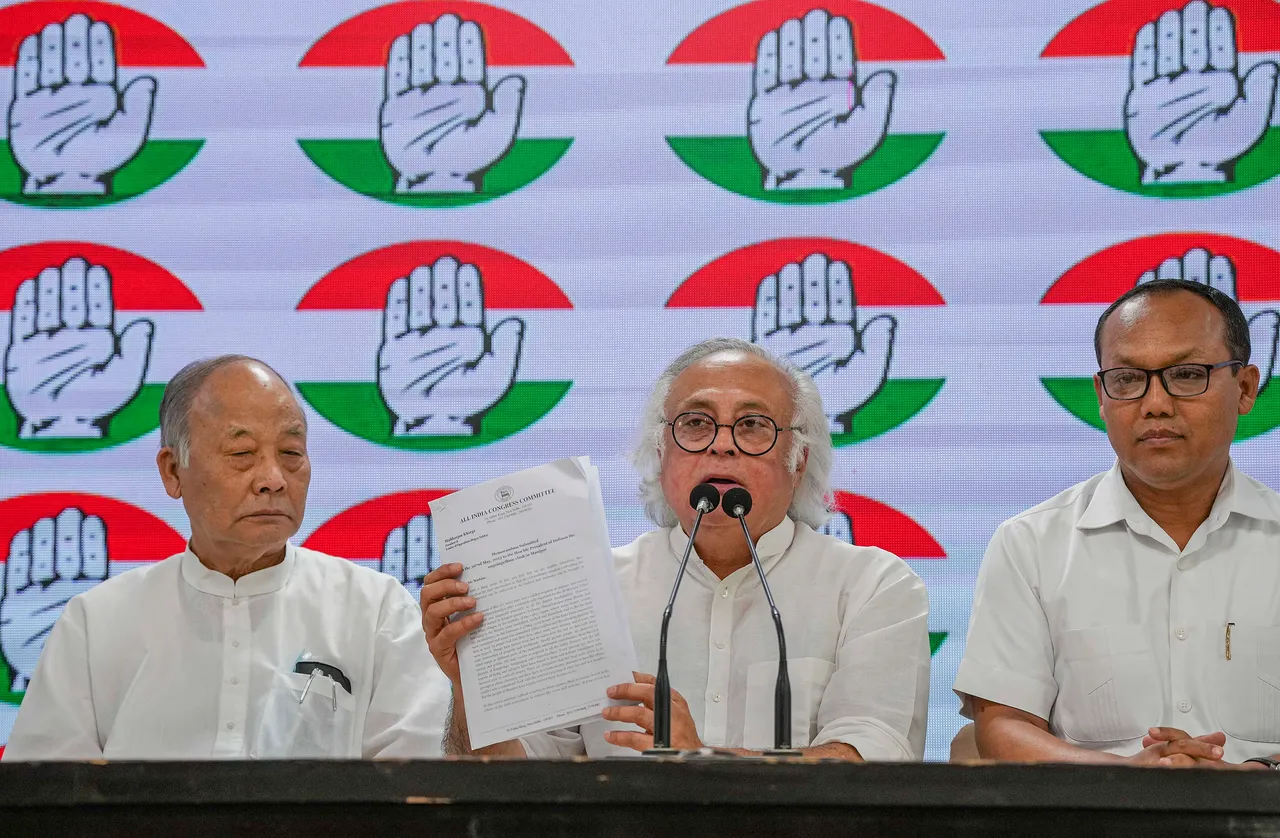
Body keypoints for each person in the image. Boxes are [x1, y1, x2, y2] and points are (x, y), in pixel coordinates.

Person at [423, 337, 931, 759]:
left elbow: (867, 766)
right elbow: (512, 785)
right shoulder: (592, 588)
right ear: (661, 455)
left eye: (752, 424)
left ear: (798, 460)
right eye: (695, 423)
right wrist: (475, 689)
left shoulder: (872, 586)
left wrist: (702, 765)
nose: (721, 444)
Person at [3, 356, 450, 760]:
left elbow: (420, 786)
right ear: (173, 471)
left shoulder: (376, 611)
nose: (273, 479)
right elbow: (43, 799)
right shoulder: (95, 623)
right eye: (242, 455)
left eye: (291, 454)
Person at [955, 279, 1280, 770]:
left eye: (1187, 374)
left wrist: (1255, 778)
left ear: (1246, 388)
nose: (1155, 404)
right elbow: (1003, 728)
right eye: (1127, 379)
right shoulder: (1032, 544)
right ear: (1101, 395)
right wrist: (1128, 777)